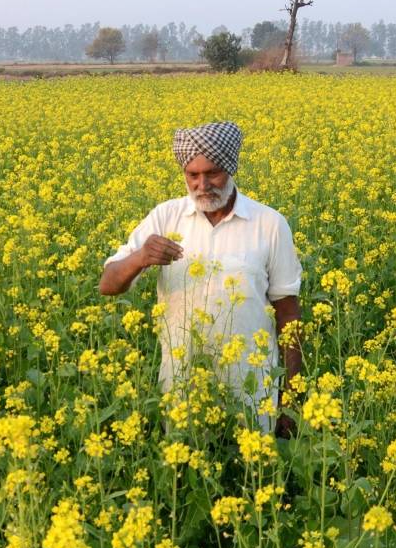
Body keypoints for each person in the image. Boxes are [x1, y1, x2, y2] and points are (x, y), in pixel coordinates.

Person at [99, 121, 303, 437]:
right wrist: (141, 257)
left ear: (232, 168)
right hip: (183, 387)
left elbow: (289, 316)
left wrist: (289, 398)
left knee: (254, 478)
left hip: (250, 391)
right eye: (192, 175)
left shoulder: (270, 224)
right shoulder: (166, 217)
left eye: (213, 173)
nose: (202, 184)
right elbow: (108, 284)